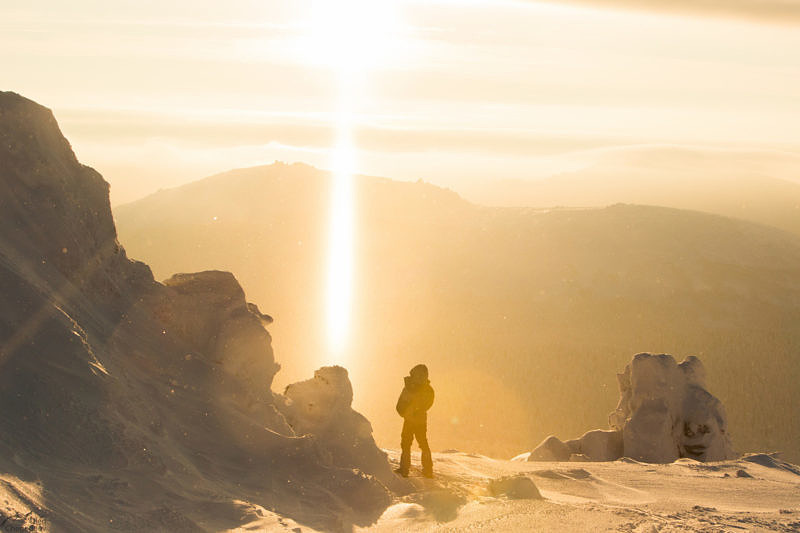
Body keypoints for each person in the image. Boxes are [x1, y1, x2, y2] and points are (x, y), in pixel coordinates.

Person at [395, 364, 434, 478]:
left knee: (407, 443)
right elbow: (427, 403)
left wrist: (405, 411)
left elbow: (401, 402)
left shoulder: (410, 387)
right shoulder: (426, 389)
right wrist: (416, 410)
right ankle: (427, 469)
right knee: (421, 443)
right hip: (419, 420)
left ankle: (404, 469)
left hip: (410, 420)